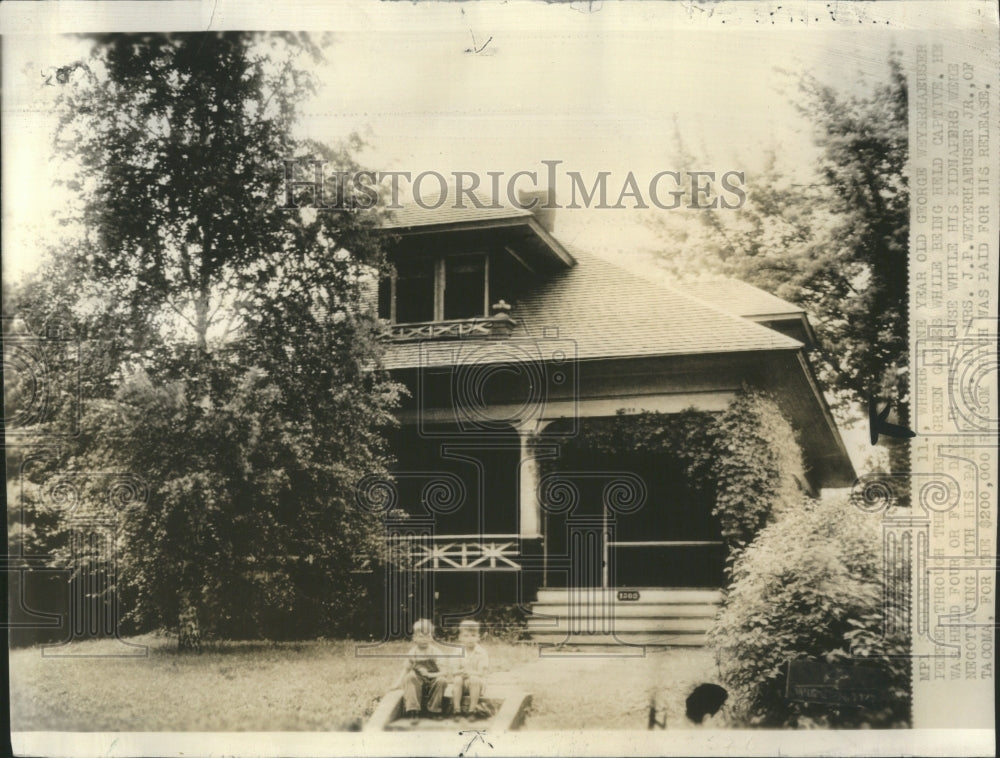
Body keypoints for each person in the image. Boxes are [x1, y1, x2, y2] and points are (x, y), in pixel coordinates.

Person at [392, 618, 448, 723]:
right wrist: (397, 684)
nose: (424, 639)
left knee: (442, 681)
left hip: (433, 678)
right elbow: (406, 669)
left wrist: (431, 675)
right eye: (421, 636)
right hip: (418, 680)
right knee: (409, 677)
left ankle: (434, 710)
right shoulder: (413, 652)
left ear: (431, 638)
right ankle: (413, 710)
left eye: (427, 636)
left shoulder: (436, 652)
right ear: (414, 638)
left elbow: (445, 672)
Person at [445, 619, 490, 719]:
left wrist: (470, 673)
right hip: (462, 683)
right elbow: (453, 671)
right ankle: (456, 709)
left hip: (477, 683)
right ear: (460, 637)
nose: (470, 639)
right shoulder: (457, 651)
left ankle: (472, 710)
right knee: (457, 679)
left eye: (473, 636)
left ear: (478, 637)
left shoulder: (481, 652)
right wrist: (461, 672)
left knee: (474, 679)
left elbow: (481, 673)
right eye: (466, 636)